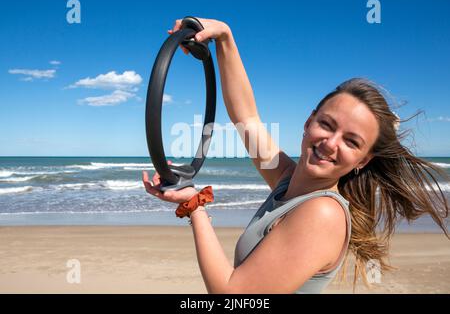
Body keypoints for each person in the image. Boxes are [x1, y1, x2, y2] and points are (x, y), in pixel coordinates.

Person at [142, 17, 449, 293]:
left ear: (363, 161)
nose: (330, 143)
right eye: (326, 125)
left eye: (352, 142)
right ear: (308, 123)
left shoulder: (323, 215)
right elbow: (246, 117)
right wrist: (225, 37)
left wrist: (195, 206)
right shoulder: (288, 181)